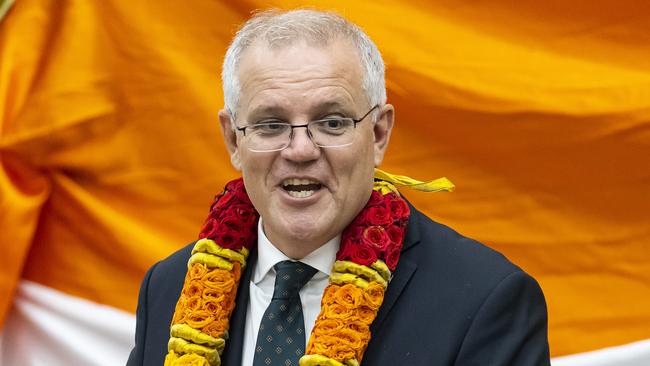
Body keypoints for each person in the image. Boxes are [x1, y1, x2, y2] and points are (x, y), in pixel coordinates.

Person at [127, 9, 550, 366]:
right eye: (271, 124)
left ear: (379, 133)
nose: (299, 150)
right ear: (234, 139)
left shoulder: (484, 301)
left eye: (332, 122)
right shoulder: (168, 289)